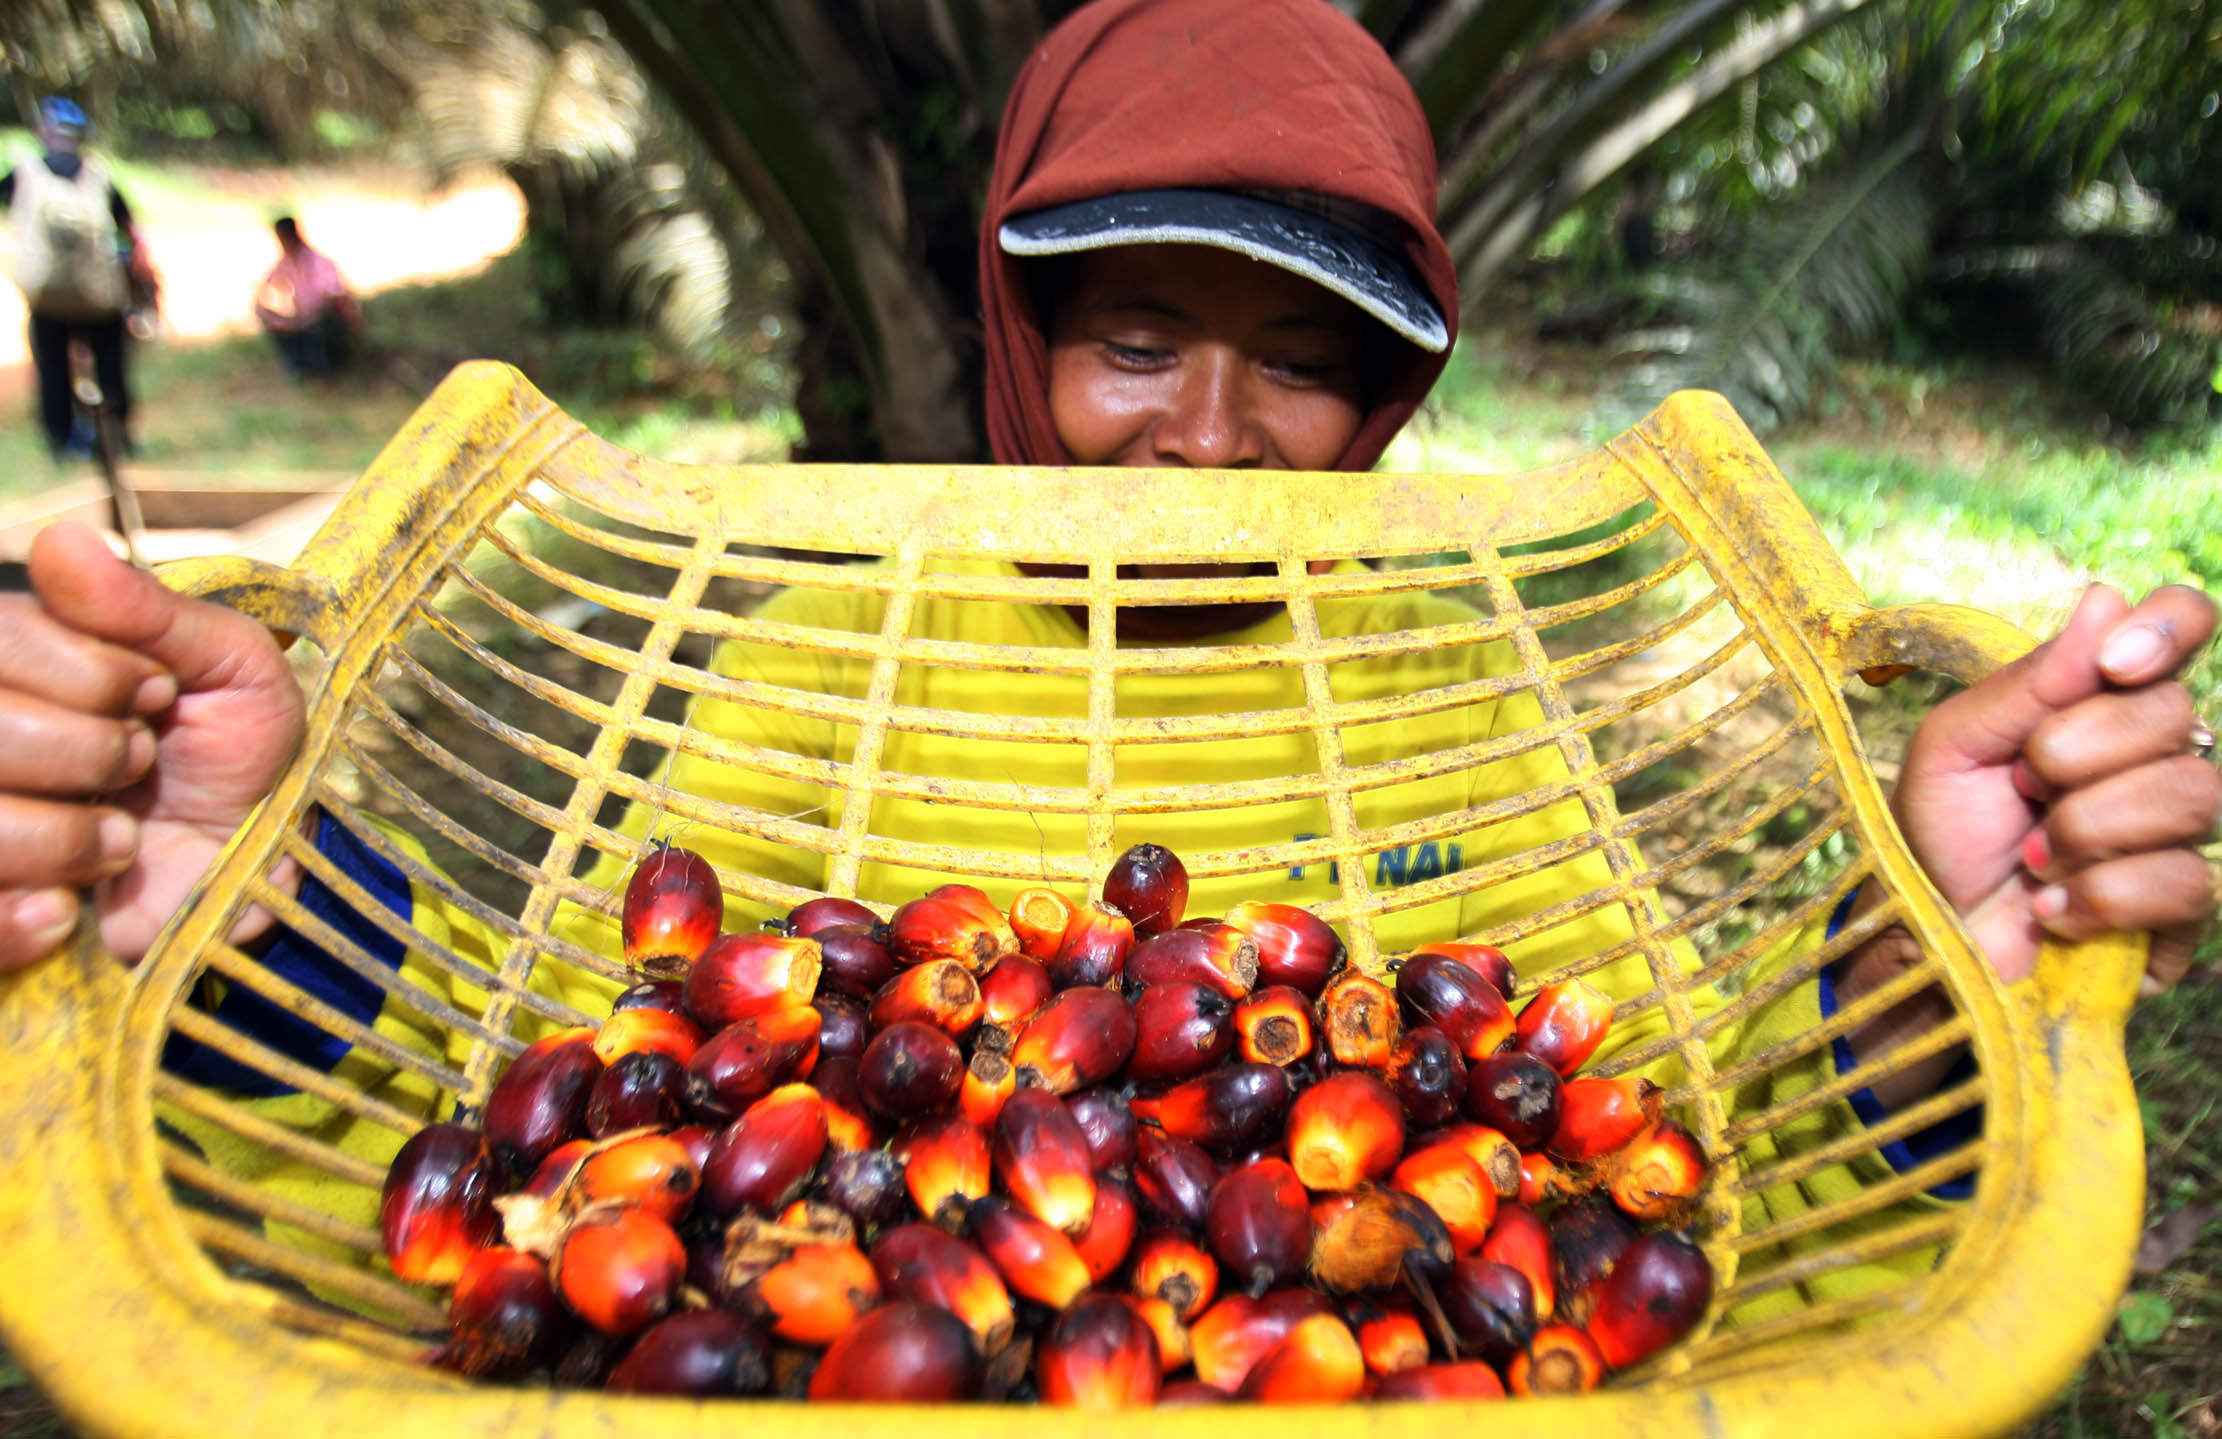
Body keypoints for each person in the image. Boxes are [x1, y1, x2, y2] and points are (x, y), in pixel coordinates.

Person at [0, 0, 2212, 1314]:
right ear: (1012, 333)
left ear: (1400, 401)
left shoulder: (1486, 701)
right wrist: (253, 917)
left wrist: (1941, 960)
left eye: (1307, 371)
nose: (1211, 438)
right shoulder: (798, 681)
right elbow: (555, 1100)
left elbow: (1674, 1168)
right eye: (1133, 341)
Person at [2, 97, 140, 460]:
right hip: (99, 295)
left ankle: (61, 441)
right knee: (111, 366)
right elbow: (131, 231)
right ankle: (117, 435)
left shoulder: (23, 172)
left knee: (52, 371)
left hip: (46, 295)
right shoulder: (98, 174)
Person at [254, 215, 361, 378]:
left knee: (319, 328)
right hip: (302, 321)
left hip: (324, 320)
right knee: (280, 326)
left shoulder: (318, 262)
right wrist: (270, 315)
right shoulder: (284, 265)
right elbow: (264, 291)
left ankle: (328, 368)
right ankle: (301, 369)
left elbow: (335, 296)